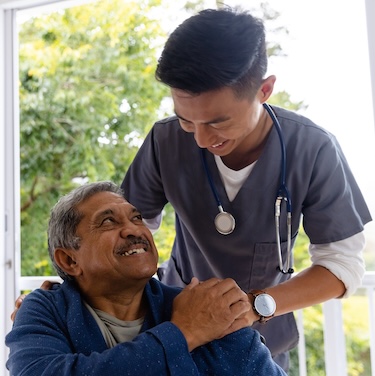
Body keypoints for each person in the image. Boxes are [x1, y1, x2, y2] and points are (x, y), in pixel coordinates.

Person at [121, 7, 372, 370]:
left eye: (219, 121)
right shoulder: (165, 141)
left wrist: (255, 306)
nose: (203, 139)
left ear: (265, 90)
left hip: (263, 343)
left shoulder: (313, 148)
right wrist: (69, 294)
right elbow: (125, 233)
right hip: (176, 335)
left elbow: (341, 265)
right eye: (186, 119)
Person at [6, 181, 286, 376]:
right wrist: (185, 333)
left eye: (137, 218)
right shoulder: (45, 310)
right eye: (108, 221)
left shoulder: (205, 308)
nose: (132, 229)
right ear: (69, 260)